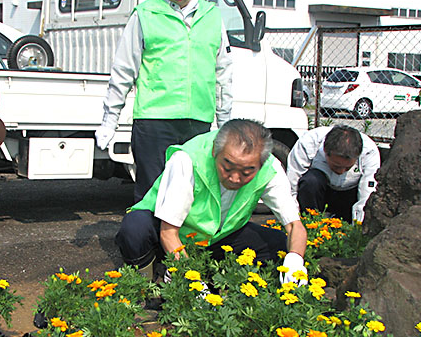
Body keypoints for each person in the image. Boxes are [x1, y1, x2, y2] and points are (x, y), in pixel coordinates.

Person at [115, 119, 307, 284]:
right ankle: (145, 280)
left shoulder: (270, 168)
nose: (234, 178)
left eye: (246, 172)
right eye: (228, 166)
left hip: (216, 238)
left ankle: (211, 275)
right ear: (216, 150)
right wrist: (192, 281)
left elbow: (294, 226)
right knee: (135, 228)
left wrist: (295, 260)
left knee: (281, 244)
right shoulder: (188, 159)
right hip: (171, 235)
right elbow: (168, 232)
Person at [94, 0, 232, 202]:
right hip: (154, 121)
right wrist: (110, 120)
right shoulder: (145, 14)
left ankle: (182, 239)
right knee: (152, 195)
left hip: (198, 121)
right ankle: (145, 237)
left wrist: (225, 123)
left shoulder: (213, 17)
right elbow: (123, 70)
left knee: (192, 195)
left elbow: (223, 74)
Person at [286, 125, 380, 223]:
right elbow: (292, 185)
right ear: (325, 152)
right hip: (321, 192)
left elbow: (366, 197)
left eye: (348, 168)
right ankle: (310, 222)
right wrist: (294, 222)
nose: (341, 172)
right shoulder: (309, 143)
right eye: (336, 166)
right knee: (310, 181)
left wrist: (358, 228)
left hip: (350, 194)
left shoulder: (369, 152)